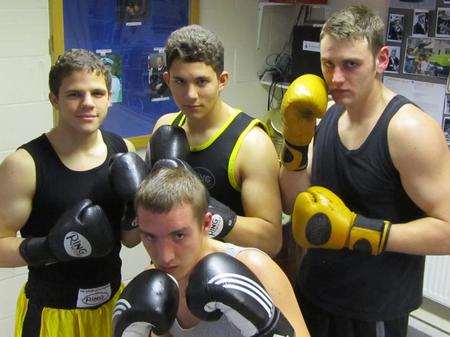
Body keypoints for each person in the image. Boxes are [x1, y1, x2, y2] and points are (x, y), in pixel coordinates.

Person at [279, 5, 450, 337]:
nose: (336, 78)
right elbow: (293, 203)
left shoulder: (408, 130)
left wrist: (360, 232)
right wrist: (295, 143)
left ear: (381, 59)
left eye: (351, 65)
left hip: (374, 309)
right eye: (328, 63)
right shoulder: (326, 115)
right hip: (314, 291)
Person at [0, 49, 146, 337]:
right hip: (52, 314)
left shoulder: (123, 150)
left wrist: (135, 211)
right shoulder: (25, 164)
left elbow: (129, 241)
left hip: (112, 304)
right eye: (74, 94)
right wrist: (50, 248)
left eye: (97, 93)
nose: (88, 103)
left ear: (109, 97)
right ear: (54, 99)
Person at [112, 164, 310, 337]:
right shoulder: (154, 288)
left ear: (206, 223)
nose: (165, 256)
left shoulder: (255, 268)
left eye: (178, 235)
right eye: (150, 237)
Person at [146, 25, 282, 257]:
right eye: (180, 82)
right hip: (173, 273)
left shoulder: (251, 143)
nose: (190, 94)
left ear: (222, 80)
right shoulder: (164, 128)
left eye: (201, 82)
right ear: (167, 80)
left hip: (228, 282)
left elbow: (271, 240)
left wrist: (208, 213)